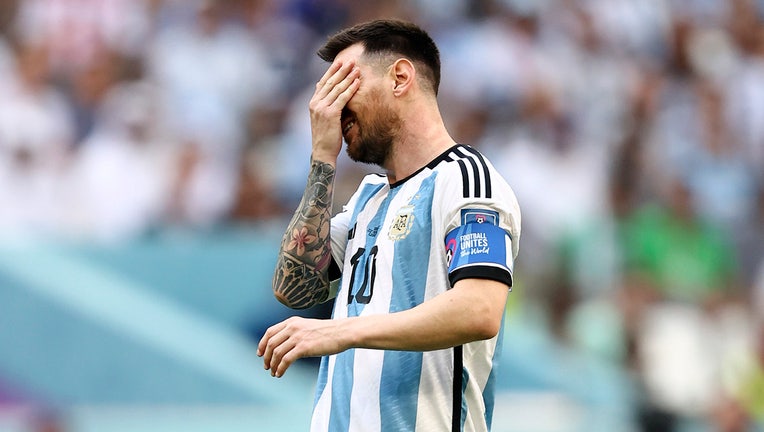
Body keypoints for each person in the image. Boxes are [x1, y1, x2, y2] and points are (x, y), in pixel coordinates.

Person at [257, 19, 521, 432]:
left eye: (345, 85)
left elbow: (479, 309)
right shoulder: (368, 199)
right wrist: (322, 160)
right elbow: (294, 287)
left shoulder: (466, 179)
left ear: (400, 78)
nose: (332, 108)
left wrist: (342, 331)